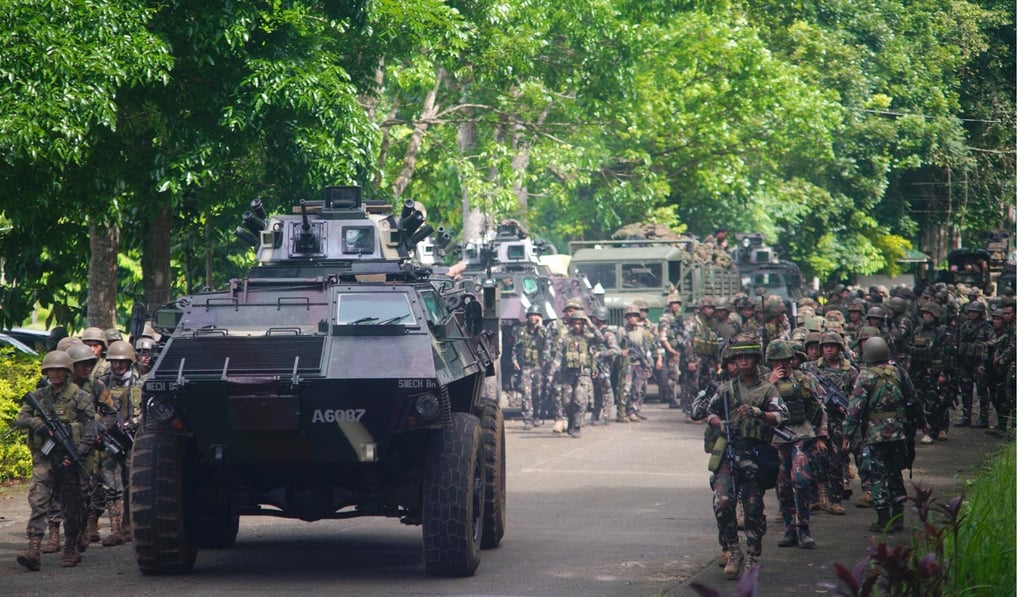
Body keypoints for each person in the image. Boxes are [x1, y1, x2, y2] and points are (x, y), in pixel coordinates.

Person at [701, 333, 789, 578]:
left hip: (756, 453)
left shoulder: (767, 389)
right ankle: (732, 549)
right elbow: (708, 413)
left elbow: (782, 417)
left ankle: (752, 555)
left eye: (746, 357)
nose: (742, 362)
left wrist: (758, 413)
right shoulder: (726, 388)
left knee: (752, 509)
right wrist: (721, 424)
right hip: (730, 450)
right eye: (738, 357)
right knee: (723, 502)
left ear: (755, 358)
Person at [15, 350, 97, 570]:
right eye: (52, 370)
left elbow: (91, 426)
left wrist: (79, 451)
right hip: (45, 455)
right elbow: (21, 418)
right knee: (39, 499)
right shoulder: (40, 396)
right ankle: (33, 548)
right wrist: (35, 423)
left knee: (72, 504)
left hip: (69, 459)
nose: (56, 374)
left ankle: (70, 547)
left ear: (67, 372)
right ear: (46, 372)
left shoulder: (79, 396)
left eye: (60, 370)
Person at [841, 337, 915, 533]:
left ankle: (883, 520)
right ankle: (898, 518)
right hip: (899, 433)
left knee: (878, 476)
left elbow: (854, 409)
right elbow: (912, 399)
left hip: (876, 435)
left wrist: (847, 435)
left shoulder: (865, 377)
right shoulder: (899, 372)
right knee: (895, 473)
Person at [764, 340, 827, 549]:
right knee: (782, 486)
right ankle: (789, 529)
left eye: (785, 360)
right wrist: (770, 383)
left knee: (800, 480)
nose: (781, 365)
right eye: (776, 361)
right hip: (776, 439)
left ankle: (804, 527)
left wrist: (821, 436)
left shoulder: (805, 379)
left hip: (801, 435)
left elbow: (819, 408)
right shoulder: (764, 383)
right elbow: (755, 407)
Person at [66, 343, 116, 550]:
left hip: (87, 447)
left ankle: (82, 531)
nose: (87, 368)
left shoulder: (96, 386)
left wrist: (98, 429)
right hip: (63, 444)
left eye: (90, 363)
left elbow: (112, 414)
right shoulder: (56, 387)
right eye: (82, 364)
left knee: (84, 491)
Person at [803, 332, 859, 514]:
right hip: (816, 421)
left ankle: (835, 499)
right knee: (814, 459)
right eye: (825, 346)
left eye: (832, 346)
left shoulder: (849, 371)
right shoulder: (810, 368)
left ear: (839, 348)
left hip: (838, 422)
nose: (828, 349)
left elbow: (857, 395)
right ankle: (815, 498)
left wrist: (848, 409)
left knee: (835, 461)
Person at [96, 340, 141, 545]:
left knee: (132, 483)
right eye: (114, 361)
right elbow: (91, 410)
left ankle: (130, 526)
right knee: (110, 483)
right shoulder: (102, 382)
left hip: (133, 439)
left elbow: (146, 411)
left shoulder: (138, 383)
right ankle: (115, 529)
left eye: (122, 362)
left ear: (130, 361)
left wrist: (133, 423)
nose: (118, 366)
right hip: (110, 438)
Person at [549, 312, 602, 437]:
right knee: (567, 401)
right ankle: (571, 421)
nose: (577, 326)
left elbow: (601, 339)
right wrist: (552, 372)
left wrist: (590, 323)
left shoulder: (588, 337)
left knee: (579, 399)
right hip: (568, 374)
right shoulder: (566, 337)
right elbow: (559, 355)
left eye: (580, 323)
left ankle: (577, 426)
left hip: (583, 373)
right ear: (571, 324)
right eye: (575, 323)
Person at [909, 303, 950, 443]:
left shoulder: (942, 332)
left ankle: (937, 430)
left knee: (937, 402)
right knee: (920, 401)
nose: (926, 316)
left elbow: (947, 355)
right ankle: (927, 428)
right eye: (924, 314)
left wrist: (943, 373)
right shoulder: (919, 331)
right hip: (919, 371)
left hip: (935, 372)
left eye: (929, 314)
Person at [952, 301, 994, 428]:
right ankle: (966, 416)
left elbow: (992, 342)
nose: (972, 314)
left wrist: (977, 347)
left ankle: (984, 418)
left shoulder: (986, 327)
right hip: (965, 362)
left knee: (982, 391)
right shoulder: (965, 326)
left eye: (975, 312)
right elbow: (958, 341)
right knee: (966, 390)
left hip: (979, 363)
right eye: (970, 311)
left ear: (981, 313)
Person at [620, 303, 660, 421]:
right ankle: (622, 413)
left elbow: (646, 347)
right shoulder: (622, 331)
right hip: (627, 364)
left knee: (638, 389)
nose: (632, 318)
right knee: (625, 389)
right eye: (629, 316)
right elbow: (617, 347)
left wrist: (648, 362)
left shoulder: (642, 331)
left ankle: (634, 411)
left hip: (639, 363)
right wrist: (623, 353)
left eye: (634, 316)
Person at [512, 305, 548, 429]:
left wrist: (541, 327)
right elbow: (515, 348)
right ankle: (527, 418)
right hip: (526, 367)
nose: (533, 317)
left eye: (536, 315)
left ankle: (536, 416)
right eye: (531, 315)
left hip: (538, 367)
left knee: (537, 393)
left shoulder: (543, 331)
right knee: (526, 393)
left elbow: (548, 343)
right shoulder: (521, 331)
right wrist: (514, 360)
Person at [589, 306, 622, 425]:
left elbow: (616, 350)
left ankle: (606, 416)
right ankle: (595, 415)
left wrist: (601, 354)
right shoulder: (593, 333)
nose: (592, 319)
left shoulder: (608, 334)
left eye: (594, 317)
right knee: (597, 392)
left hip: (604, 367)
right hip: (595, 367)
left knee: (606, 391)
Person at [658, 294, 686, 409]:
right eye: (674, 304)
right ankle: (672, 399)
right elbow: (663, 336)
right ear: (669, 305)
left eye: (678, 304)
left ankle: (685, 399)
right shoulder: (665, 319)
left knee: (684, 376)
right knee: (673, 375)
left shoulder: (679, 318)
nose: (677, 306)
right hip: (673, 350)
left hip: (682, 349)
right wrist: (670, 350)